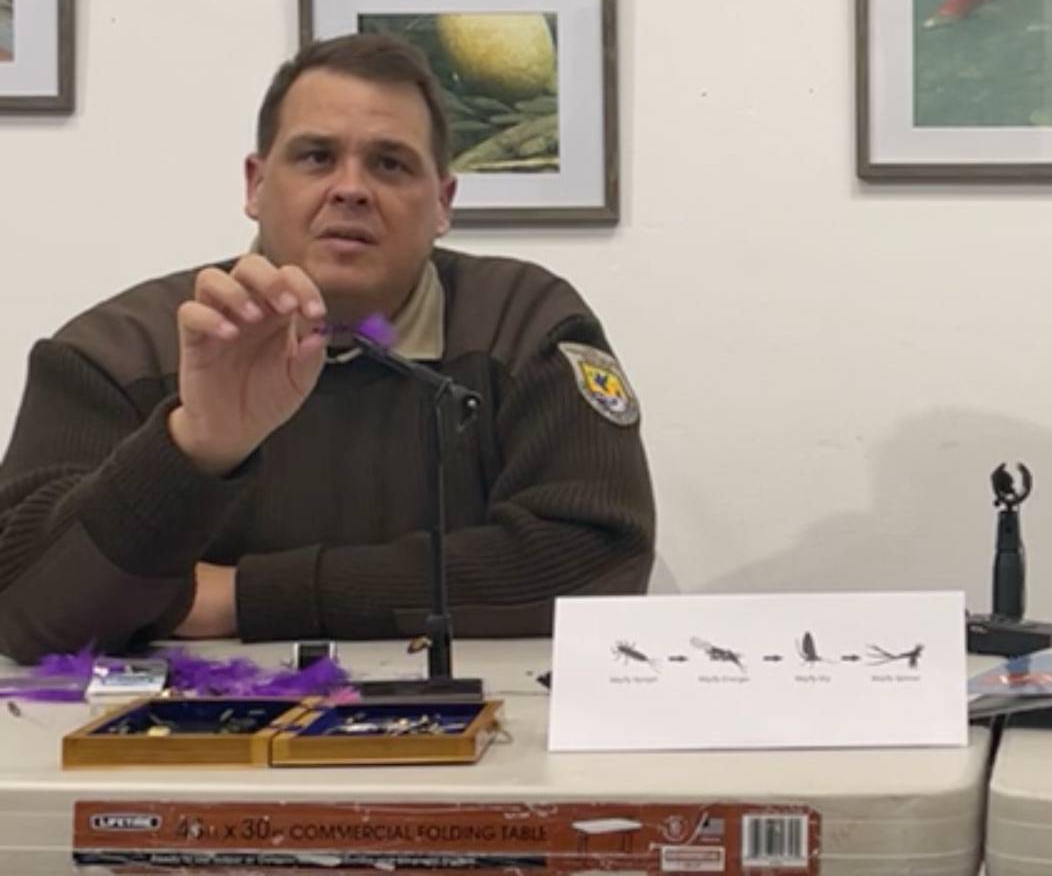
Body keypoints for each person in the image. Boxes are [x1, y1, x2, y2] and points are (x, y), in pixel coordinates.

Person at [0, 34, 654, 662]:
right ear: (255, 185)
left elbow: (600, 558)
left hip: (484, 750)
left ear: (443, 203)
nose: (351, 188)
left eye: (390, 163)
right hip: (183, 758)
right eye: (316, 157)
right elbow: (22, 603)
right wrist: (193, 446)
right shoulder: (117, 351)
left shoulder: (524, 322)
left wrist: (246, 597)